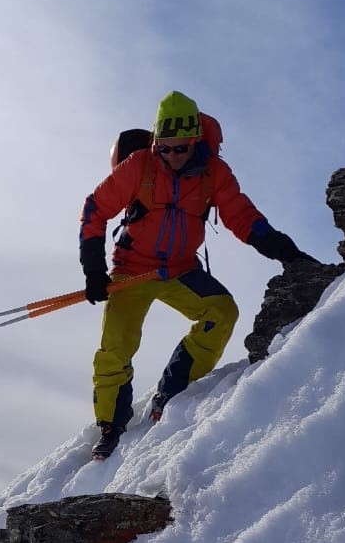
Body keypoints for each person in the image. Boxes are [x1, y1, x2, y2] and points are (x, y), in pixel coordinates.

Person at [79, 90, 316, 460]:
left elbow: (242, 215)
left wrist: (285, 251)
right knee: (115, 346)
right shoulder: (140, 165)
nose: (171, 157)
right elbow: (95, 209)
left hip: (179, 268)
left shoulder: (213, 173)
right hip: (131, 270)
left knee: (222, 312)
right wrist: (93, 268)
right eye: (165, 148)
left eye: (181, 149)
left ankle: (171, 394)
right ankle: (111, 425)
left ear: (196, 142)